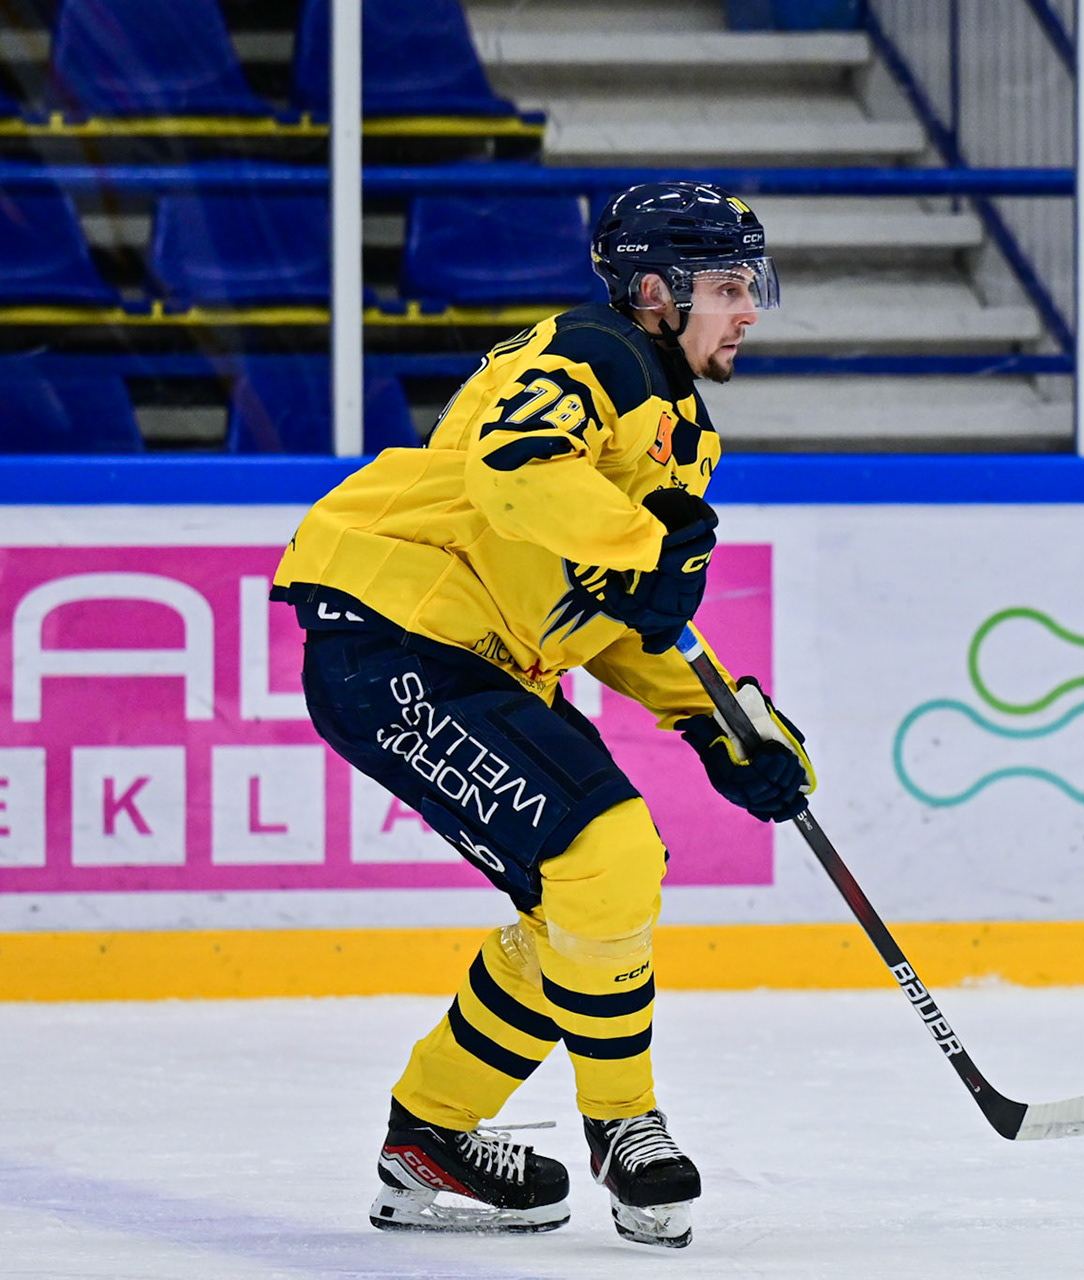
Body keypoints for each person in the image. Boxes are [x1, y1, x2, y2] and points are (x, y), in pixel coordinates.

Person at [270, 182, 815, 1250]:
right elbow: (515, 471)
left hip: (479, 656)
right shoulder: (594, 353)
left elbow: (615, 611)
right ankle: (625, 1126)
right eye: (726, 285)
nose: (749, 308)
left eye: (751, 283)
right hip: (398, 631)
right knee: (606, 853)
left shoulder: (680, 432)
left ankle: (429, 1137)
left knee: (581, 904)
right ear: (654, 290)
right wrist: (650, 546)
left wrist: (729, 725)